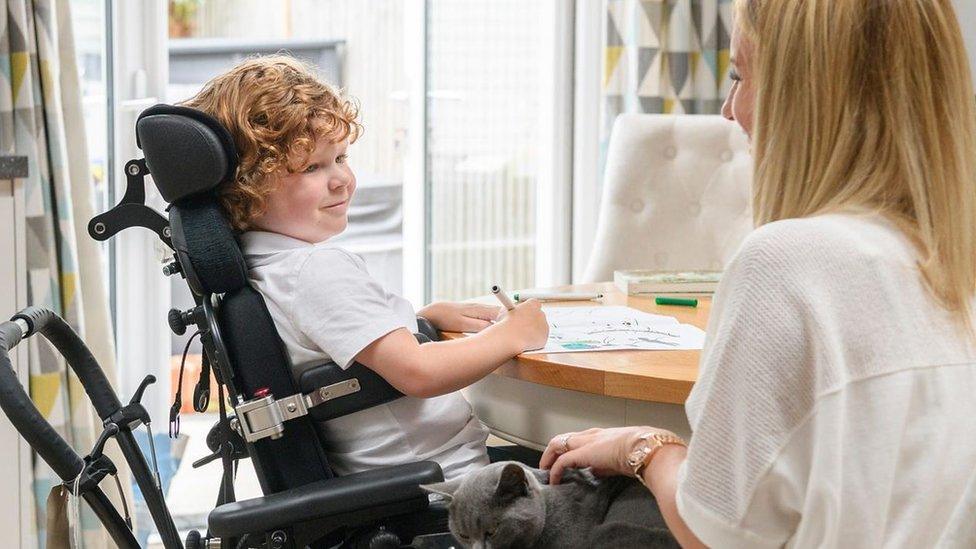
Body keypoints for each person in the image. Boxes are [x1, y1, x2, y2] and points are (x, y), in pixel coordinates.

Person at [540, 0, 976, 547]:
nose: (727, 110)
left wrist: (645, 449)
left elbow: (713, 535)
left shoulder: (786, 266)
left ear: (807, 99)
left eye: (741, 77)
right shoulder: (952, 268)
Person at [181, 55, 549, 480]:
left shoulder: (263, 266)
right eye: (312, 167)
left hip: (416, 476)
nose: (341, 180)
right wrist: (513, 333)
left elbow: (331, 346)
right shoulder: (314, 270)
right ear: (248, 185)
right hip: (451, 482)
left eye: (341, 158)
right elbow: (419, 373)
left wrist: (415, 321)